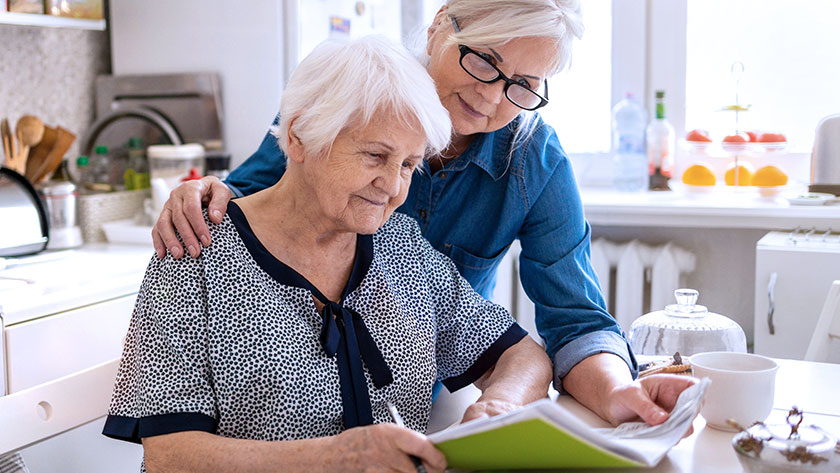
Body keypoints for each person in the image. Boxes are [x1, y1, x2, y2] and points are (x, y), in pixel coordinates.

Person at [152, 0, 697, 430]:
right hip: (284, 397)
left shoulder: (533, 161)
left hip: (416, 397)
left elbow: (574, 320)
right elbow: (241, 207)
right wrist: (199, 192)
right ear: (440, 27)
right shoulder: (348, 97)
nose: (491, 96)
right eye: (484, 60)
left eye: (524, 86)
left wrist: (618, 391)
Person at [104, 36, 551, 472]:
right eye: (375, 156)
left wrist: (499, 405)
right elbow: (171, 457)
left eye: (409, 165)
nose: (393, 186)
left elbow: (523, 356)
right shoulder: (196, 252)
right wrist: (333, 460)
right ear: (299, 137)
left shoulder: (403, 247)